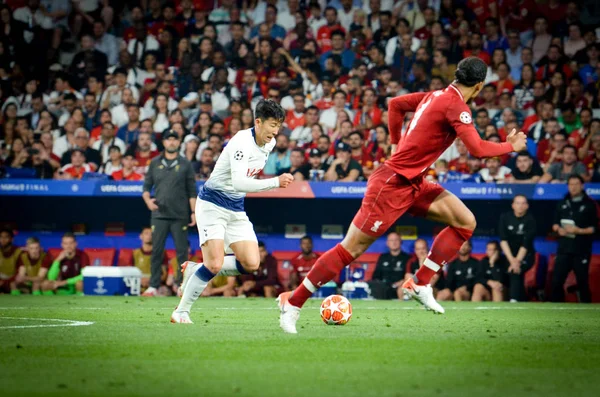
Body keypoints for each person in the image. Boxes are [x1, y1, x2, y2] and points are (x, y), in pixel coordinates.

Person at [277, 56, 527, 333]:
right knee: (351, 249)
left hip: (414, 182)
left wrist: (395, 143)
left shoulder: (435, 96)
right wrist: (510, 146)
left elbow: (395, 105)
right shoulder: (455, 106)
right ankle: (293, 303)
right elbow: (478, 149)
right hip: (391, 185)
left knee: (465, 222)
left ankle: (420, 282)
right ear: (479, 87)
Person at [171, 100, 293, 323]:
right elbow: (238, 182)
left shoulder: (270, 143)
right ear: (258, 122)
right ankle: (181, 311)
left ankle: (195, 269)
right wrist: (275, 182)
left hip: (236, 207)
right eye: (272, 125)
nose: (275, 131)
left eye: (279, 126)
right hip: (212, 204)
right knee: (215, 263)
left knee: (251, 263)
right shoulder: (240, 142)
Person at [141, 130, 197, 297]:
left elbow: (192, 191)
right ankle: (153, 286)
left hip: (180, 215)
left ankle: (182, 285)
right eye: (168, 139)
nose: (171, 142)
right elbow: (145, 188)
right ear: (164, 142)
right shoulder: (154, 162)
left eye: (174, 139)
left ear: (178, 143)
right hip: (159, 214)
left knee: (182, 252)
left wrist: (193, 212)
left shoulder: (186, 164)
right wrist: (148, 201)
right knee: (156, 251)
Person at [550, 175, 598, 303]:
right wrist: (558, 229)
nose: (573, 187)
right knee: (556, 281)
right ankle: (555, 309)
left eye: (576, 184)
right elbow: (554, 224)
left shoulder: (590, 204)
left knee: (582, 281)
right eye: (571, 184)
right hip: (564, 248)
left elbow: (595, 228)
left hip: (581, 249)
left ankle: (587, 311)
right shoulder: (562, 203)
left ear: (582, 186)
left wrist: (579, 231)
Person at [498, 195, 537, 302]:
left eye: (523, 203)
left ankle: (514, 300)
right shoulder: (505, 217)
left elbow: (526, 243)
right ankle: (522, 299)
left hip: (526, 254)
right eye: (518, 203)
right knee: (512, 272)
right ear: (513, 205)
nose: (520, 206)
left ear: (527, 206)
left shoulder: (530, 220)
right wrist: (512, 260)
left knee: (515, 271)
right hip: (509, 254)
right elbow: (503, 240)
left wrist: (516, 261)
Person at [369, 232, 411, 300]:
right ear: (387, 243)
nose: (394, 242)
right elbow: (375, 276)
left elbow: (410, 276)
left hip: (400, 289)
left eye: (396, 240)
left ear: (401, 242)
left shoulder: (407, 258)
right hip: (384, 289)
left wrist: (402, 282)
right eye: (391, 240)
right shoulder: (383, 257)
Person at [0, 229, 22, 294]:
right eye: (1, 237)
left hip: (14, 281)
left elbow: (20, 272)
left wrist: (6, 282)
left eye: (6, 237)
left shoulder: (18, 252)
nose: (3, 239)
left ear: (12, 239)